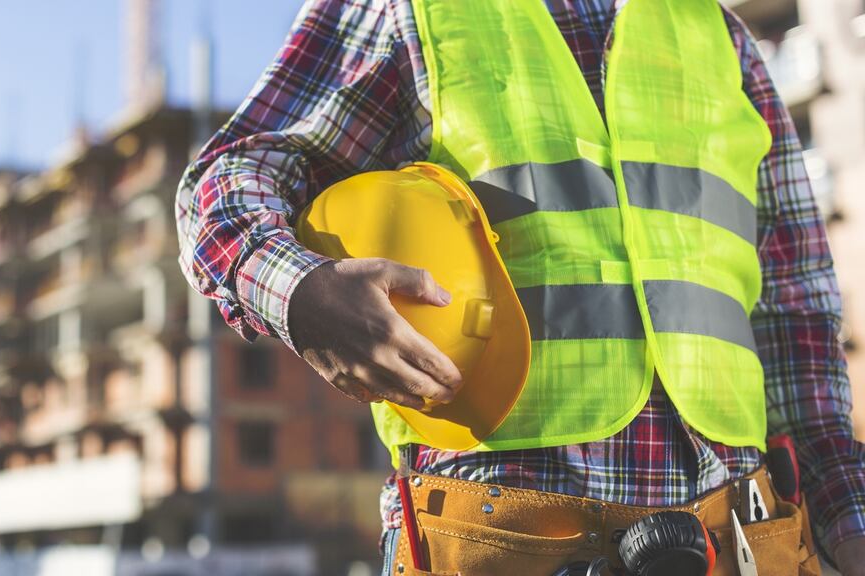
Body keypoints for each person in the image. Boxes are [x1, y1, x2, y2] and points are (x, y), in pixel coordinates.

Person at [176, 0, 865, 573]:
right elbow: (223, 184)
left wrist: (845, 509)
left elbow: (793, 309)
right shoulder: (411, 12)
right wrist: (301, 293)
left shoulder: (719, 36)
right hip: (500, 539)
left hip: (738, 539)